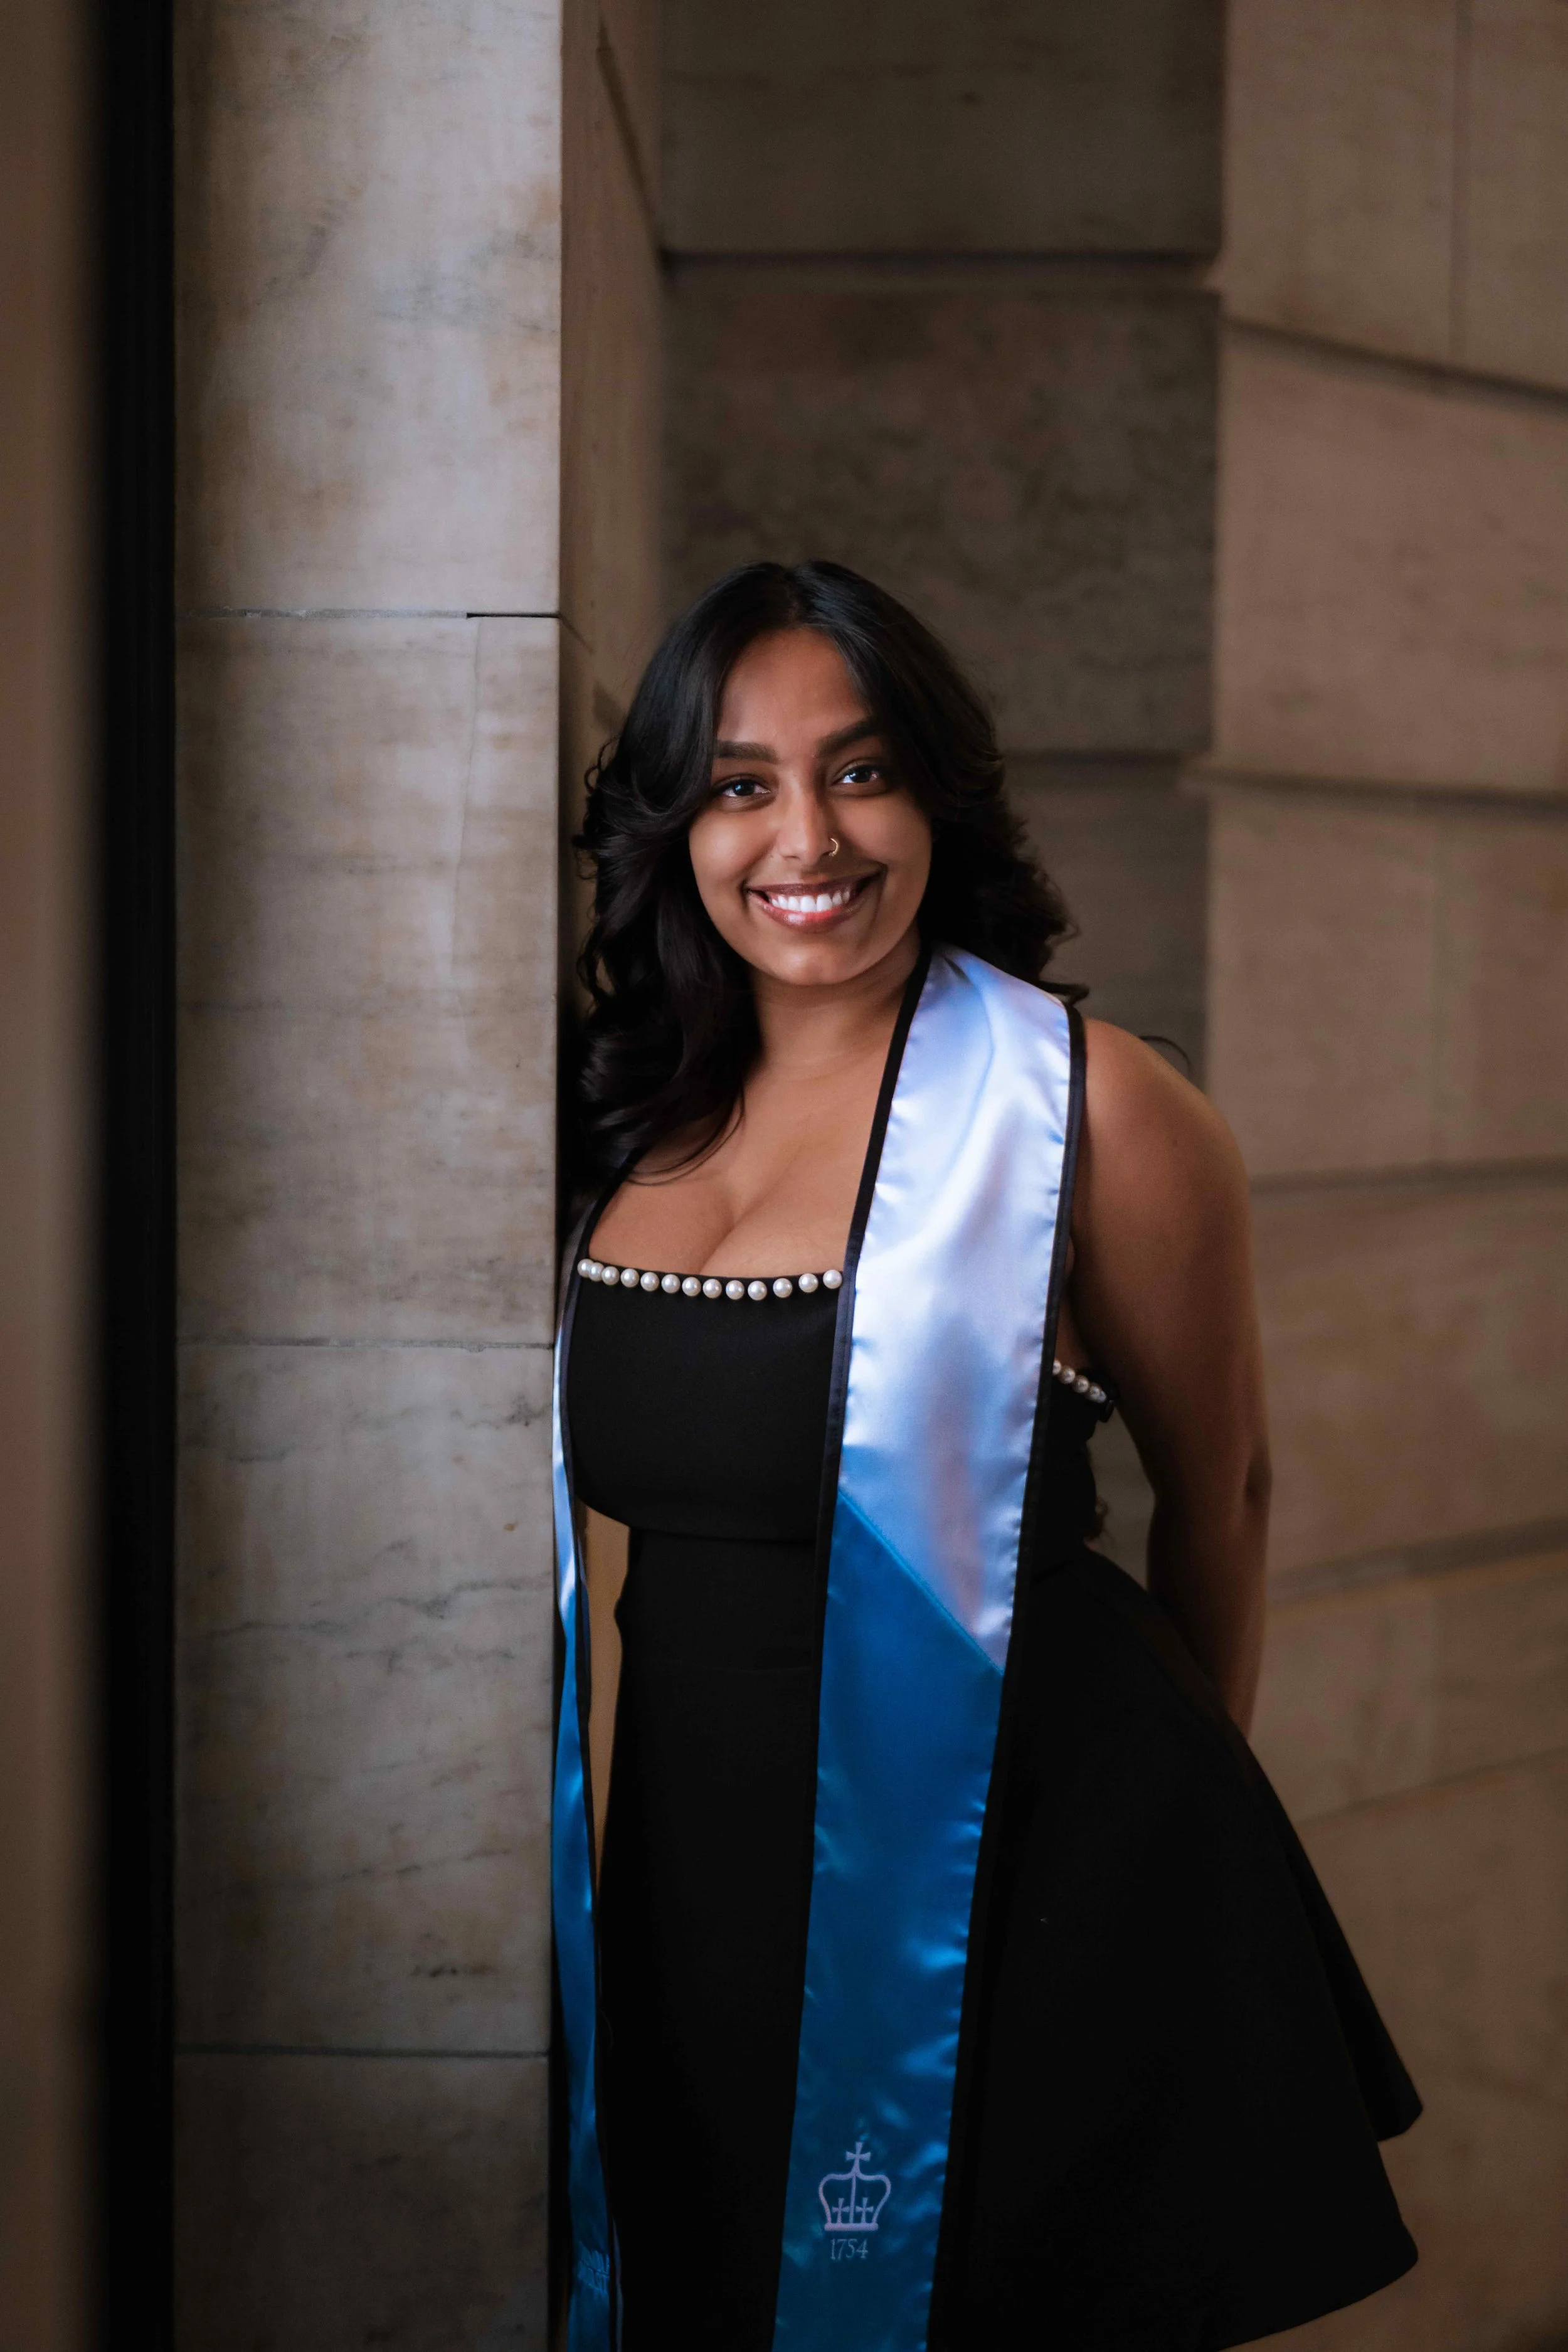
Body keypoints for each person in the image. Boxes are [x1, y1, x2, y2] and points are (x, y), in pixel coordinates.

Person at [551, 561, 1419, 2352]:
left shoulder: (1090, 1108)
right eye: (738, 781)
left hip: (1024, 1868)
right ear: (676, 821)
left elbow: (1223, 1492)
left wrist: (1129, 1871)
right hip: (692, 1880)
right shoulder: (615, 1110)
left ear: (938, 790)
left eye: (860, 770)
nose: (807, 833)